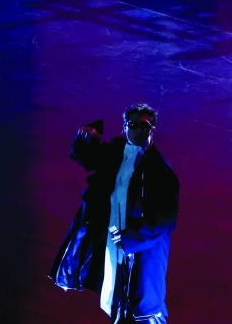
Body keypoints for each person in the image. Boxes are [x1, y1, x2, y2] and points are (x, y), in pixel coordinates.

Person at [50, 104, 179, 324]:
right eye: (133, 125)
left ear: (152, 129)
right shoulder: (116, 151)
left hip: (139, 247)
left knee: (143, 304)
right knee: (116, 295)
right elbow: (88, 159)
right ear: (125, 127)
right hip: (113, 238)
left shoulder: (160, 171)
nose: (138, 130)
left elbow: (163, 221)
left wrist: (130, 239)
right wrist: (86, 138)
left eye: (144, 126)